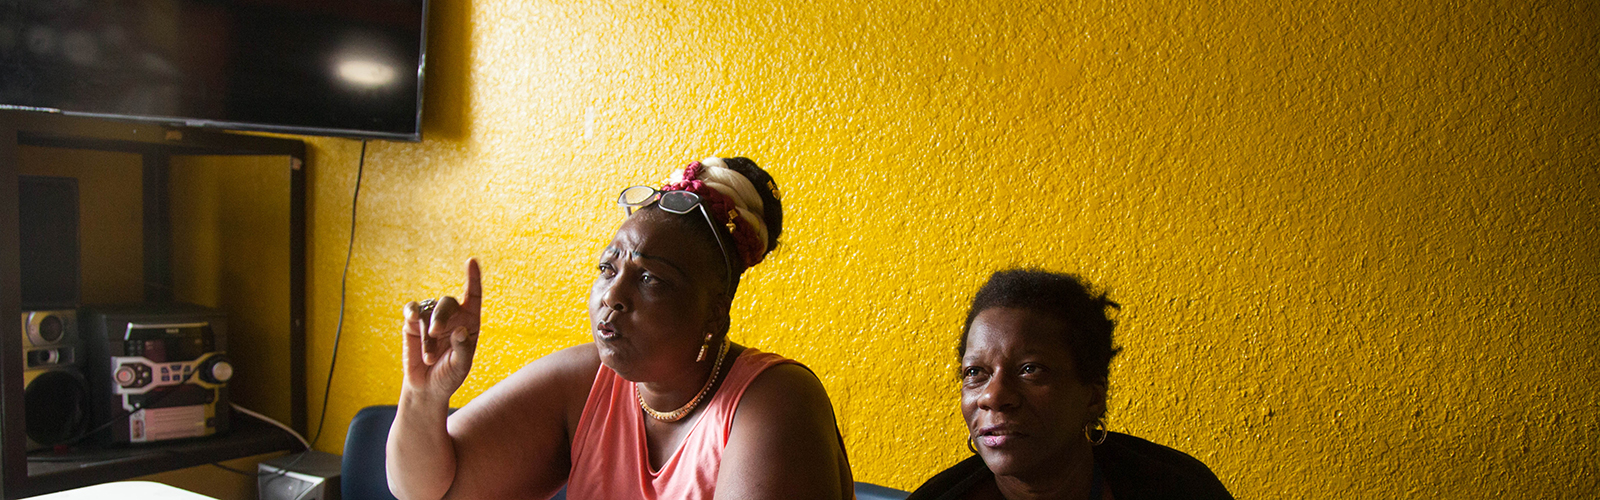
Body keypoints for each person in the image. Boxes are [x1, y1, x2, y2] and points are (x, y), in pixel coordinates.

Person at [386, 158, 854, 500]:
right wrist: (425, 397)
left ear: (715, 312)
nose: (612, 296)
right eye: (608, 268)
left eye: (651, 278)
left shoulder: (774, 402)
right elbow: (425, 491)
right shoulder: (585, 382)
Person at [906, 269, 1232, 500]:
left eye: (1030, 369)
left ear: (1093, 396)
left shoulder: (1179, 488)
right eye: (976, 373)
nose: (993, 395)